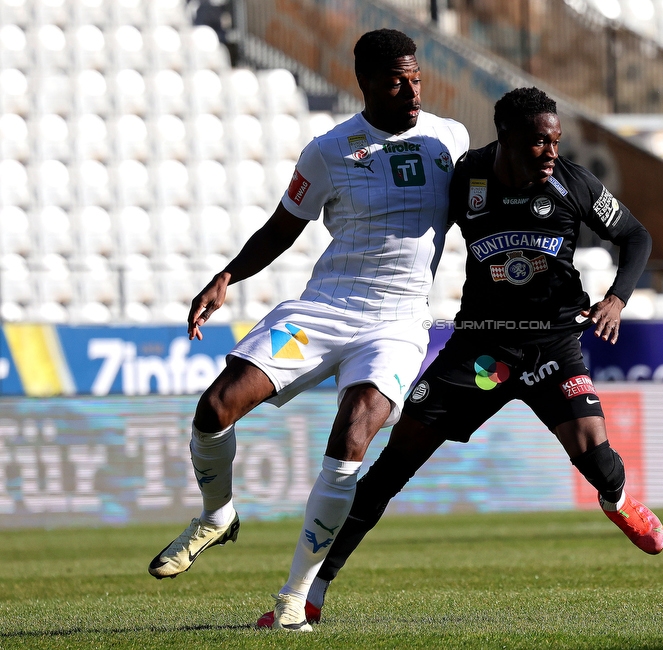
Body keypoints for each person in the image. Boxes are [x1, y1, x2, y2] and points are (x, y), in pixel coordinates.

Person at [256, 86, 663, 628]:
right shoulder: (466, 177)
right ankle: (311, 591)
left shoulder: (572, 181)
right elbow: (413, 229)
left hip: (552, 346)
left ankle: (617, 500)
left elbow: (636, 236)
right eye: (541, 141)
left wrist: (616, 298)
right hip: (481, 351)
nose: (551, 151)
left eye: (556, 141)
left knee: (596, 457)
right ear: (509, 139)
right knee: (390, 468)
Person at [146, 28, 470, 632]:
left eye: (416, 76)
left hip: (397, 324)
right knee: (215, 407)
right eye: (398, 79)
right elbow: (282, 226)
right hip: (323, 311)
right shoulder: (328, 150)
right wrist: (227, 276)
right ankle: (217, 516)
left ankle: (294, 598)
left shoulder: (451, 139)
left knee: (353, 435)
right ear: (365, 82)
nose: (412, 89)